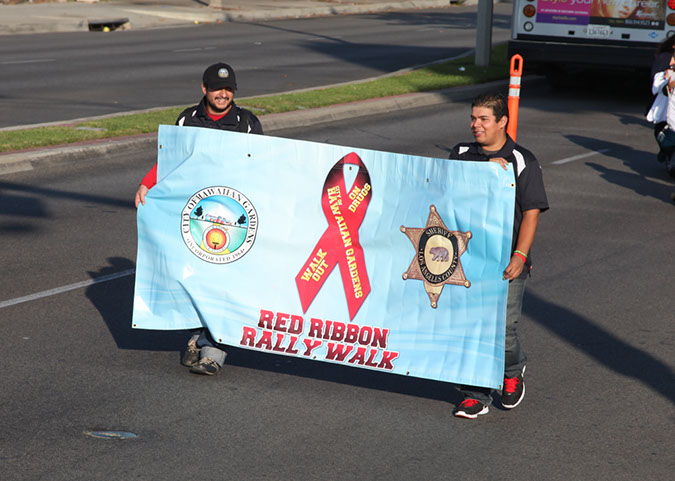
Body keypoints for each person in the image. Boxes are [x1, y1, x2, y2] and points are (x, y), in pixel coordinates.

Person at [134, 62, 263, 376]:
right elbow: (170, 162)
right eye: (217, 88)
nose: (223, 94)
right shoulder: (187, 119)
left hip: (234, 218)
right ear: (204, 89)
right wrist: (147, 183)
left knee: (226, 281)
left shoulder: (247, 123)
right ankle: (198, 335)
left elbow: (264, 167)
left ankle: (212, 350)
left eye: (229, 89)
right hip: (197, 216)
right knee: (194, 277)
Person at [449, 92, 549, 419]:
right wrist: (483, 173)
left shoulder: (523, 160)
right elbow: (443, 189)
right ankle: (474, 393)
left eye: (483, 119)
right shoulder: (463, 154)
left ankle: (512, 370)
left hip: (508, 260)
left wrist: (520, 256)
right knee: (471, 326)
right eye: (473, 118)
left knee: (504, 328)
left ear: (502, 121)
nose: (475, 125)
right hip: (468, 260)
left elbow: (531, 213)